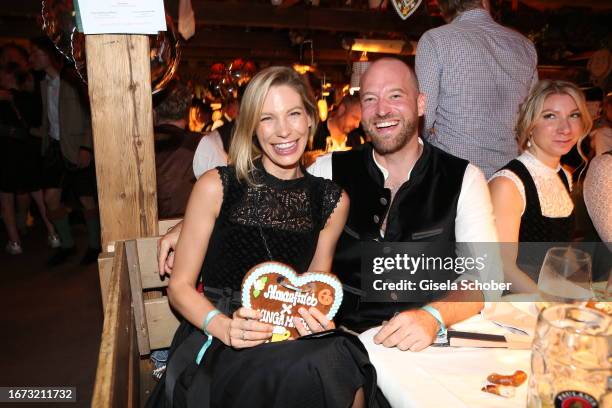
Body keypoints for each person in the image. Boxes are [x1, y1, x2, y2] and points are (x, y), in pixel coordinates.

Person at [160, 58, 497, 352]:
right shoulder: (329, 170)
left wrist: (432, 317)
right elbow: (269, 192)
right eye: (369, 99)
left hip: (428, 344)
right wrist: (188, 226)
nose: (382, 110)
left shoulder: (465, 179)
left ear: (421, 104)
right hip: (348, 337)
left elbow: (487, 279)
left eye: (396, 96)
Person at [147, 66, 388, 408]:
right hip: (219, 335)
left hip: (287, 337)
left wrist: (313, 319)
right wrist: (225, 327)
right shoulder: (217, 186)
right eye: (267, 118)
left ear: (309, 118)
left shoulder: (332, 201)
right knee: (325, 363)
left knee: (334, 354)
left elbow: (313, 285)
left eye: (293, 114)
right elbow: (179, 288)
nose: (283, 131)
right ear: (252, 128)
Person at [489, 80, 593, 292]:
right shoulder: (507, 184)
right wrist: (549, 307)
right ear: (530, 124)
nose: (565, 128)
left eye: (574, 115)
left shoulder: (565, 174)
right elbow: (502, 268)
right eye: (550, 116)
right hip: (515, 304)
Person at [415, 0, 538, 178]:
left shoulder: (435, 40)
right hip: (510, 176)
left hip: (454, 172)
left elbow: (423, 118)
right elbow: (532, 117)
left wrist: (434, 144)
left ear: (443, 7)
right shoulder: (524, 45)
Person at [29, 36, 101, 266]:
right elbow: (50, 119)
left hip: (77, 146)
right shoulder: (43, 84)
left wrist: (86, 146)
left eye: (35, 53)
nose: (30, 58)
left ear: (49, 54)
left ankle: (94, 246)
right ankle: (68, 246)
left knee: (87, 199)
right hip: (55, 147)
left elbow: (91, 114)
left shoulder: (72, 79)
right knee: (51, 199)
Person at [153, 81, 203, 218]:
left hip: (141, 229)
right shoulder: (202, 144)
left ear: (154, 109)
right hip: (186, 228)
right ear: (187, 110)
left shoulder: (137, 144)